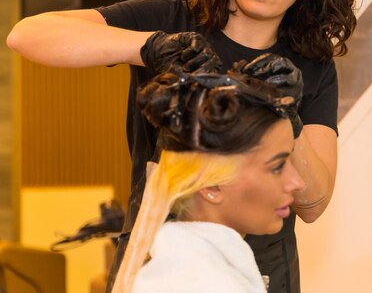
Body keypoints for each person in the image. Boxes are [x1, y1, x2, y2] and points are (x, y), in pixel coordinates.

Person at [6, 0, 358, 293]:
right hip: (159, 257)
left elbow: (313, 203)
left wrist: (286, 116)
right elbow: (26, 35)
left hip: (262, 269)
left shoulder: (311, 65)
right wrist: (151, 47)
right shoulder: (173, 20)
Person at [113, 55, 305, 293]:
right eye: (277, 167)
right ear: (212, 185)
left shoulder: (195, 271)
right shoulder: (198, 283)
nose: (297, 182)